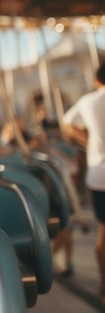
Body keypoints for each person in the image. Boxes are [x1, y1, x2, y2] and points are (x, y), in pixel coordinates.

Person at [62, 61, 105, 302]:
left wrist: (88, 141)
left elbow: (67, 124)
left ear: (98, 78)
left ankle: (104, 288)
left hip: (100, 174)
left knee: (103, 234)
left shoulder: (89, 101)